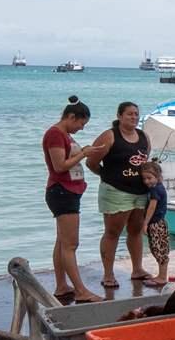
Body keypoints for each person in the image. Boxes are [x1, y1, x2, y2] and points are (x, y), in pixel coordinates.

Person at [82, 101, 154, 288]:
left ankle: (137, 269)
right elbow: (91, 162)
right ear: (119, 116)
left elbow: (145, 162)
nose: (134, 117)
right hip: (115, 192)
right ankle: (108, 274)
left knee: (136, 231)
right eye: (129, 114)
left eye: (136, 114)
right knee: (112, 232)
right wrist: (106, 176)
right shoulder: (110, 136)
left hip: (139, 192)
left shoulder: (143, 136)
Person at [42, 95, 102, 303]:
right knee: (70, 244)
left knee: (62, 242)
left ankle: (61, 285)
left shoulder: (63, 134)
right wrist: (83, 154)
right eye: (81, 123)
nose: (81, 128)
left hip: (67, 191)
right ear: (71, 116)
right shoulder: (55, 134)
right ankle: (81, 290)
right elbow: (60, 165)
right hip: (62, 191)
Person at [139, 160, 171, 288]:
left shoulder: (155, 191)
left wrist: (145, 223)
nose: (147, 181)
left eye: (150, 178)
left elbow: (152, 207)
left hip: (156, 223)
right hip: (161, 222)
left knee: (159, 250)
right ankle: (161, 275)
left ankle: (162, 277)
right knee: (160, 249)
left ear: (158, 177)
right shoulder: (159, 187)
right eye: (144, 179)